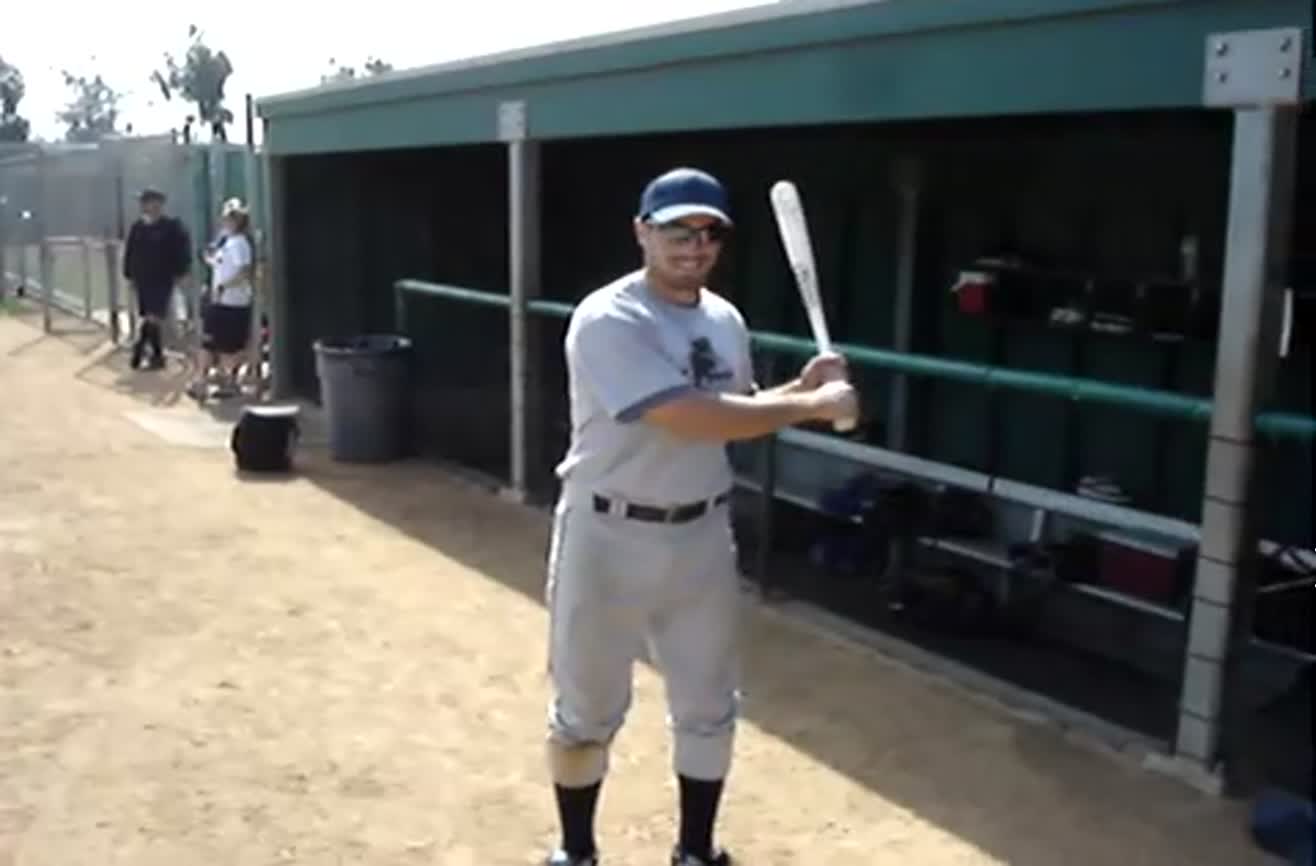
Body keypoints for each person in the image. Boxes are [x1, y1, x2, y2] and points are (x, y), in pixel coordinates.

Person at [543, 167, 858, 866]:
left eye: (708, 232)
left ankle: (694, 851)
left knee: (709, 703)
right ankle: (576, 851)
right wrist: (811, 408)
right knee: (586, 710)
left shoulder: (723, 318)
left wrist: (797, 388)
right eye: (677, 230)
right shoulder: (609, 317)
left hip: (701, 536)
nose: (693, 245)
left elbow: (732, 411)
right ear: (642, 232)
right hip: (608, 532)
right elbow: (684, 416)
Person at [190, 198, 256, 399]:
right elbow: (221, 264)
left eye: (232, 218)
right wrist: (209, 260)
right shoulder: (226, 240)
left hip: (234, 302)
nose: (226, 221)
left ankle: (228, 381)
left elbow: (244, 272)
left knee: (231, 346)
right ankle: (201, 381)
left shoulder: (240, 243)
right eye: (227, 217)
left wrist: (223, 286)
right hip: (220, 301)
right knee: (209, 342)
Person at [121, 187, 191, 370]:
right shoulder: (138, 228)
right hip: (143, 278)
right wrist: (129, 274)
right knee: (149, 315)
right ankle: (155, 355)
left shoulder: (171, 227)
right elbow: (131, 253)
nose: (150, 207)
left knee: (155, 316)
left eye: (154, 203)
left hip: (162, 277)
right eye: (147, 203)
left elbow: (181, 250)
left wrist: (181, 271)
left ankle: (142, 350)